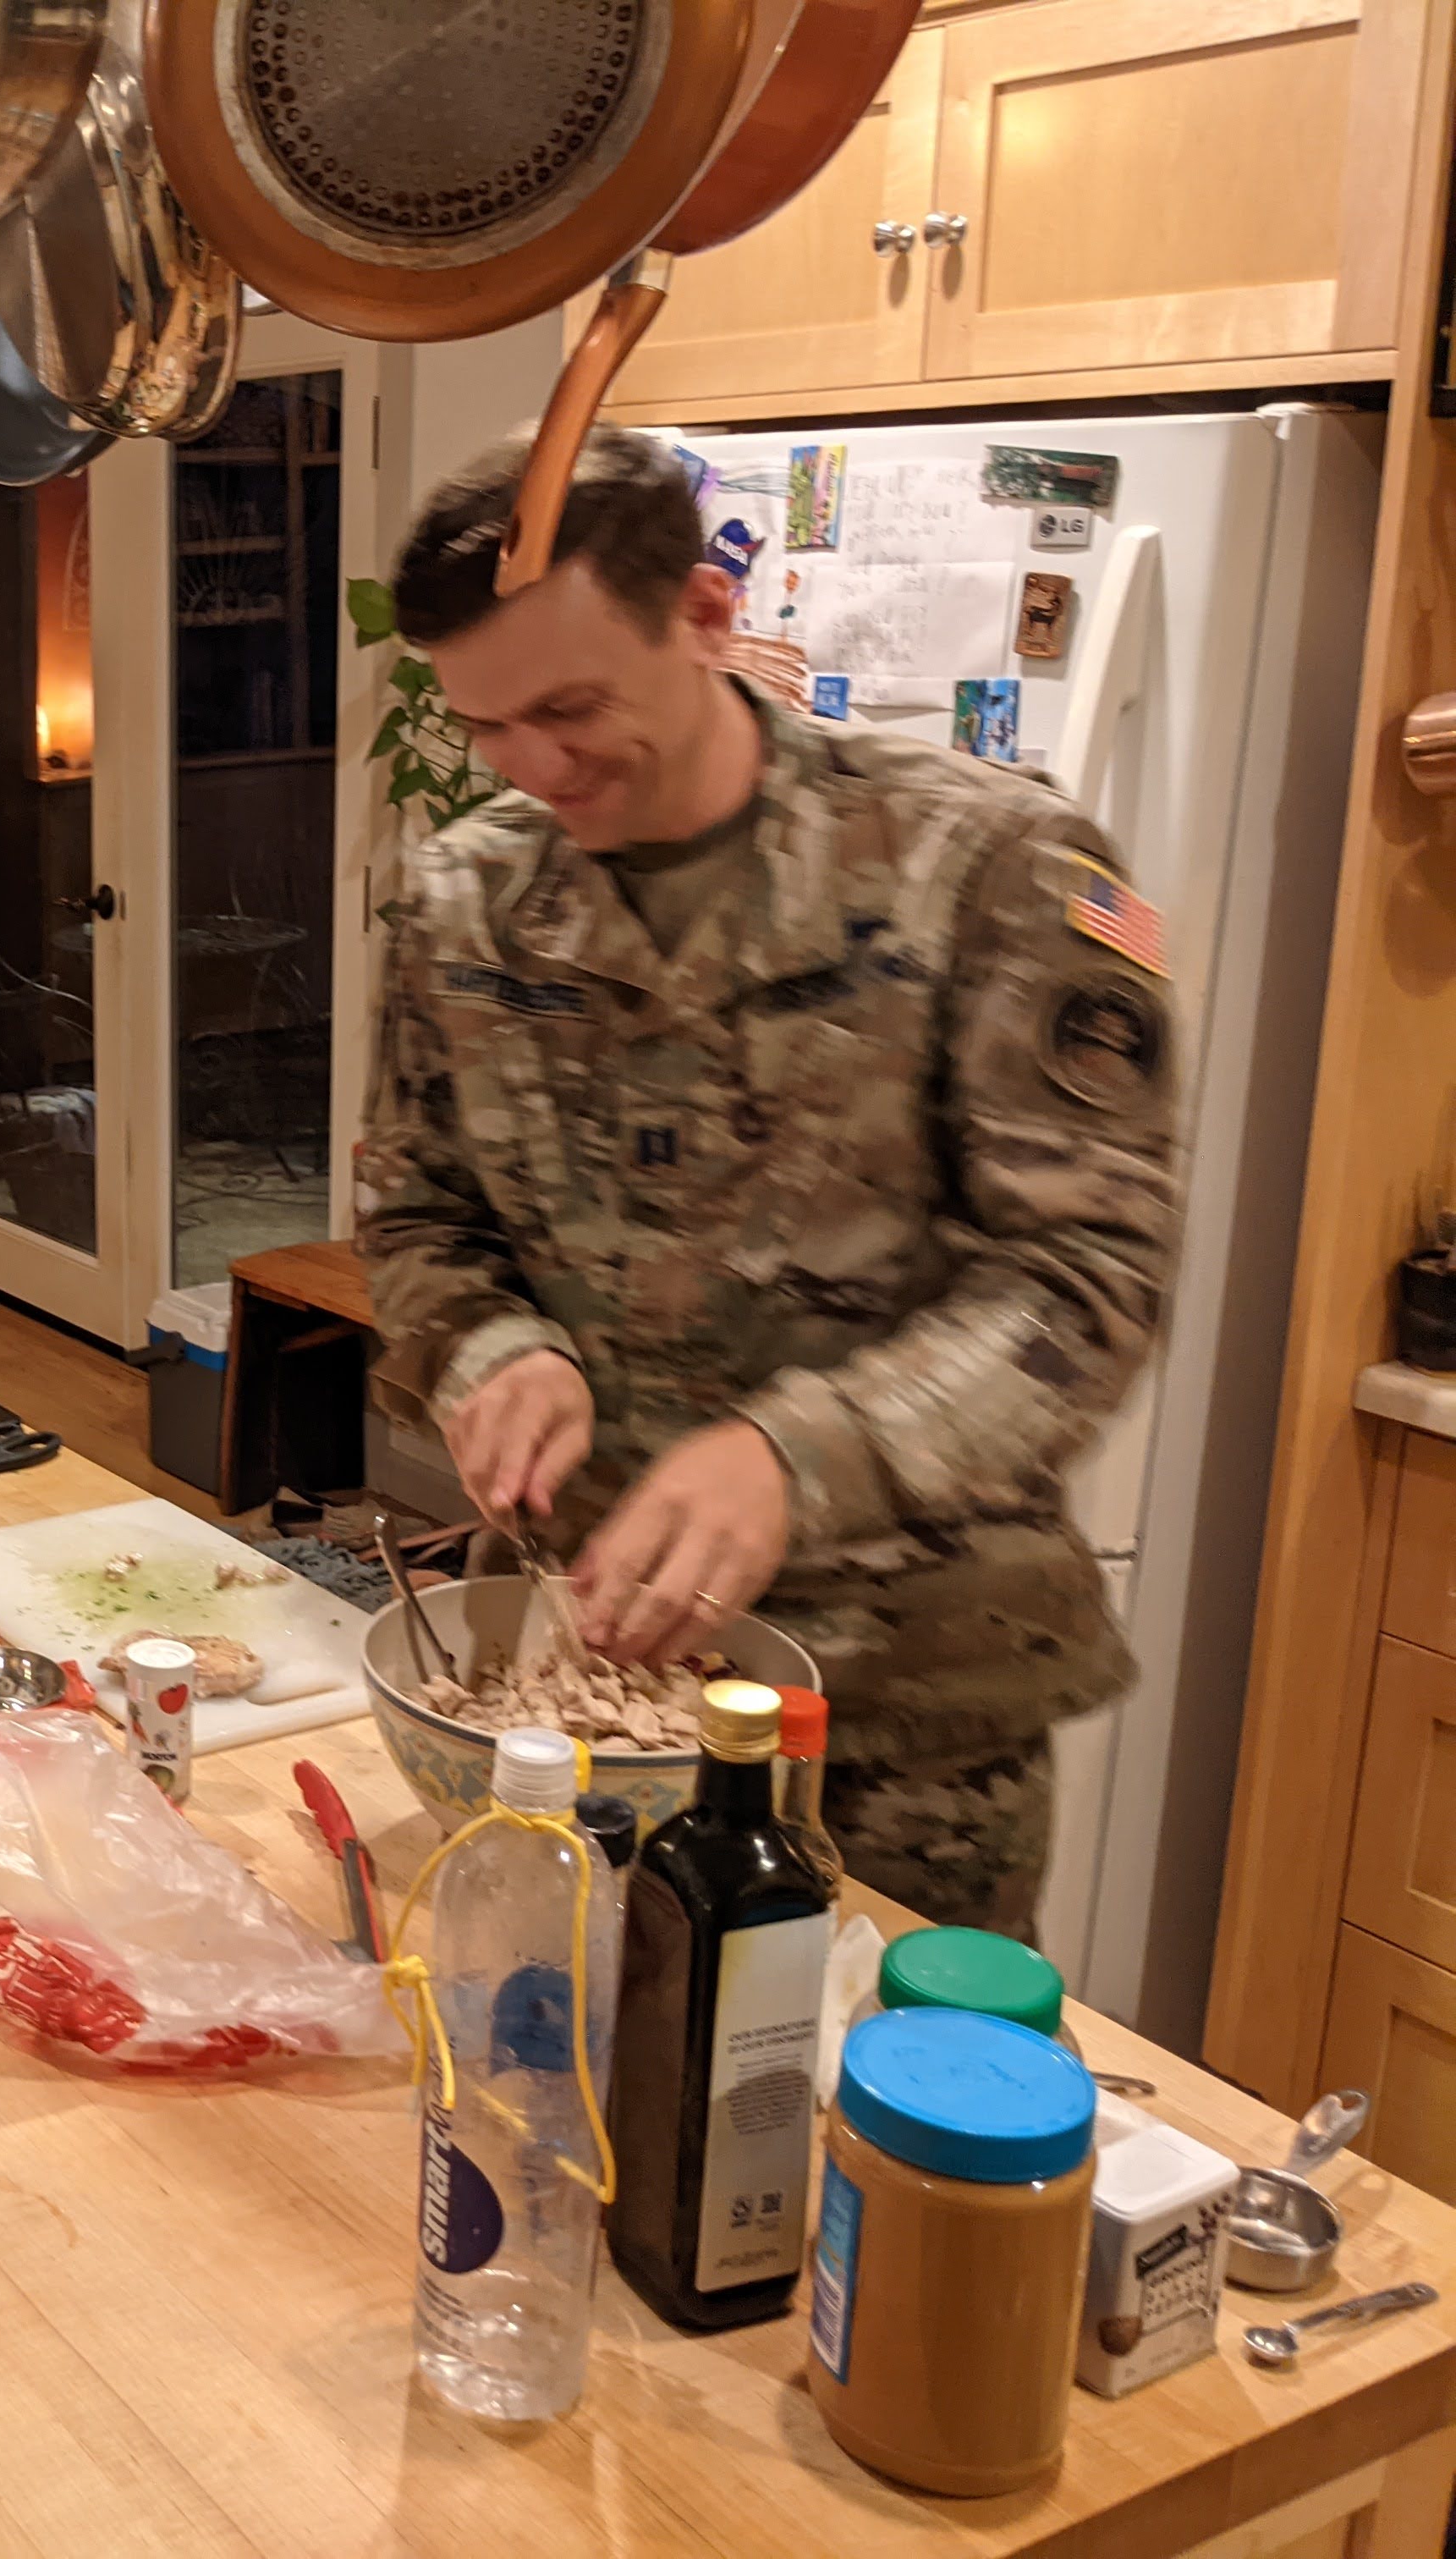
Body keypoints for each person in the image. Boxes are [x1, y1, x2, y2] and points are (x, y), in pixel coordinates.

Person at [356, 428, 1184, 1934]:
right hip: (578, 1681)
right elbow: (419, 1210)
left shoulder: (993, 868)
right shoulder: (464, 896)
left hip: (898, 1712)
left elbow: (1087, 1283)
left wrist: (798, 1457)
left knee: (857, 2075)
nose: (532, 765)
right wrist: (490, 1347)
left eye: (570, 707)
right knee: (541, 2046)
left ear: (706, 617)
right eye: (484, 727)